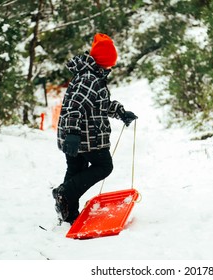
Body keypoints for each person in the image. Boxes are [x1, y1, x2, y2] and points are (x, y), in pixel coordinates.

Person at [52, 33, 137, 224]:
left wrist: (120, 112)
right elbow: (74, 106)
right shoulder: (90, 78)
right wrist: (73, 133)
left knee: (75, 168)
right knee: (104, 166)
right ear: (104, 60)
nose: (111, 66)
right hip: (86, 137)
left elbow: (98, 105)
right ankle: (64, 193)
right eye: (110, 61)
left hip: (78, 136)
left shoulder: (88, 75)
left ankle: (69, 213)